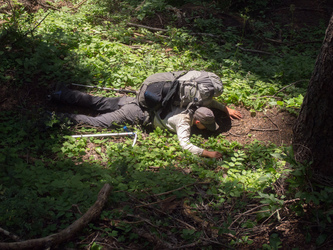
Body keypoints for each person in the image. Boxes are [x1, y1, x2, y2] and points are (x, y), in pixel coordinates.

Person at [50, 82, 241, 159]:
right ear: (197, 122)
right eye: (205, 126)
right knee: (97, 122)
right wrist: (207, 152)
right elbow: (185, 145)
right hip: (134, 115)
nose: (205, 129)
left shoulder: (189, 104)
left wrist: (225, 108)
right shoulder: (183, 122)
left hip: (134, 101)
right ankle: (53, 118)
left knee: (97, 101)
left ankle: (60, 93)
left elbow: (210, 101)